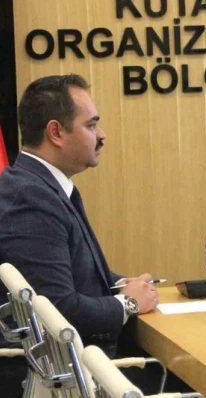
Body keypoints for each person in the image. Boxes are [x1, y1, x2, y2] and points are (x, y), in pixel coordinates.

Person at [0, 75, 159, 395]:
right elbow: (58, 308)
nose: (102, 135)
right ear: (56, 132)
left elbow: (71, 271)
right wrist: (128, 303)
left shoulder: (41, 186)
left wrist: (122, 283)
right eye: (91, 125)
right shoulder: (30, 199)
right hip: (79, 375)